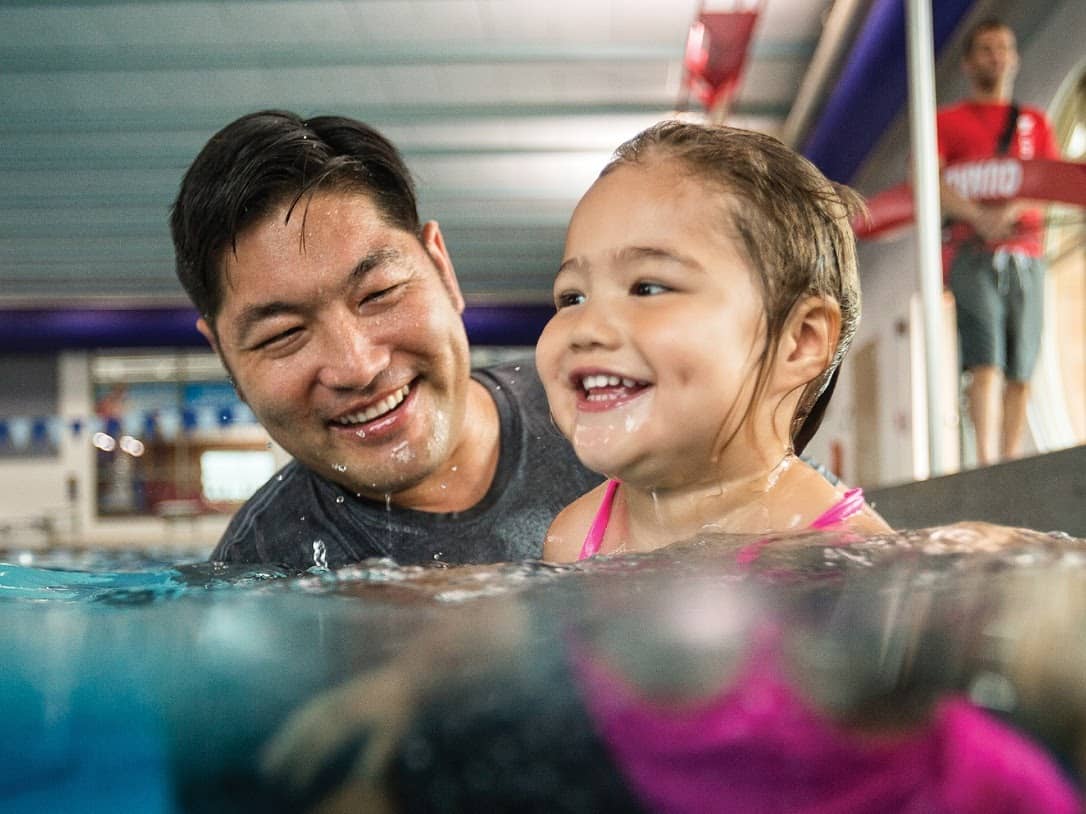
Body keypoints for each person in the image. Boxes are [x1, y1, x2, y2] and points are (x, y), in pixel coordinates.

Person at [169, 110, 601, 568]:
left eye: (379, 294)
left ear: (441, 268)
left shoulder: (599, 400)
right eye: (284, 334)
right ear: (224, 356)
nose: (357, 366)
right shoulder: (259, 577)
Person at [536, 121, 890, 562]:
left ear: (799, 341)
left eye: (647, 288)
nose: (585, 327)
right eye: (572, 296)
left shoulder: (843, 554)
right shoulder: (573, 538)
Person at [937, 18, 1060, 466]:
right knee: (985, 357)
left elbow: (1051, 181)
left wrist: (1012, 210)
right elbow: (927, 179)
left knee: (1022, 365)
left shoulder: (1035, 123)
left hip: (1026, 253)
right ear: (970, 63)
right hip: (972, 254)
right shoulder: (947, 123)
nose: (996, 56)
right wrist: (976, 216)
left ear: (1015, 57)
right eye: (986, 49)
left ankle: (1010, 459)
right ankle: (988, 462)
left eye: (1003, 47)